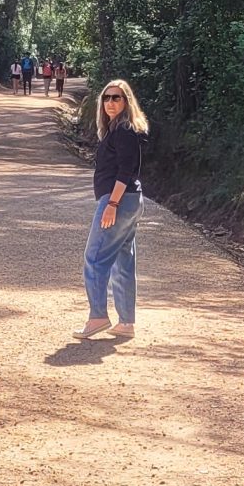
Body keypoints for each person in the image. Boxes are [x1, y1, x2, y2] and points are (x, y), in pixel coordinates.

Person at [80, 78, 147, 341]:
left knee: (94, 259)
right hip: (130, 201)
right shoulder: (117, 129)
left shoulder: (124, 130)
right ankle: (126, 323)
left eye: (116, 98)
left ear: (126, 101)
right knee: (123, 262)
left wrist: (112, 204)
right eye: (106, 98)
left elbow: (125, 170)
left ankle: (98, 316)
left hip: (120, 200)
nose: (110, 102)